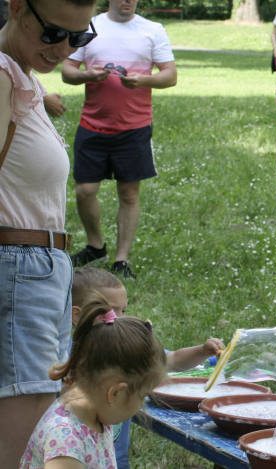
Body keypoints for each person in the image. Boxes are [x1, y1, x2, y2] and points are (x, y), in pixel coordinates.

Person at [0, 0, 98, 465]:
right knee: (25, 444)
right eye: (53, 33)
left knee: (43, 433)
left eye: (78, 38)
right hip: (19, 268)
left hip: (41, 269)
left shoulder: (22, 77)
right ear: (18, 8)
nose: (63, 49)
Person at [61, 0, 177, 280]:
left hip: (134, 128)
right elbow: (67, 70)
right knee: (84, 191)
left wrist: (143, 81)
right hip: (92, 125)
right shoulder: (90, 26)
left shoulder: (152, 29)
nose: (128, 1)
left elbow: (170, 75)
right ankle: (95, 245)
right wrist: (86, 75)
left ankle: (121, 259)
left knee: (128, 194)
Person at [70, 266, 224, 469]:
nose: (120, 318)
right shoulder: (67, 359)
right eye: (109, 311)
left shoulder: (129, 351)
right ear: (77, 315)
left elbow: (173, 359)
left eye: (123, 310)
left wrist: (203, 351)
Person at [20, 294, 168, 469]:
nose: (141, 406)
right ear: (114, 393)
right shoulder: (65, 441)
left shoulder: (97, 412)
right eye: (142, 396)